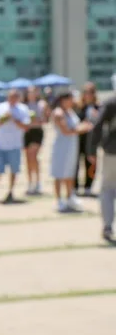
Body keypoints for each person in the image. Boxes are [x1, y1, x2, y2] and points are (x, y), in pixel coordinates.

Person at [51, 92, 93, 212]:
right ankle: (59, 200)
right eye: (70, 99)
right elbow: (66, 130)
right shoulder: (58, 112)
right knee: (59, 173)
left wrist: (84, 125)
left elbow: (76, 126)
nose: (72, 101)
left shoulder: (70, 111)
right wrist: (83, 128)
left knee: (69, 173)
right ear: (64, 100)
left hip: (71, 146)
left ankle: (70, 197)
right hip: (61, 146)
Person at [0, 89, 31, 203]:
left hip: (15, 145)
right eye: (11, 97)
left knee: (14, 170)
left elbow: (26, 127)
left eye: (15, 97)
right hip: (0, 144)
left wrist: (14, 119)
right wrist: (4, 119)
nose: (13, 99)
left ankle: (10, 191)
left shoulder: (23, 109)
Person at [87, 93, 116, 240]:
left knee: (108, 189)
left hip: (112, 151)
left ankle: (108, 226)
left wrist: (92, 150)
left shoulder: (110, 102)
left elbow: (97, 126)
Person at [75, 82, 100, 196]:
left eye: (90, 92)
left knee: (91, 164)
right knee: (75, 163)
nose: (88, 95)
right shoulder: (78, 107)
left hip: (92, 140)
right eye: (86, 92)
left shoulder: (99, 107)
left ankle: (88, 186)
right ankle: (75, 187)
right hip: (78, 139)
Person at [23, 85, 48, 195]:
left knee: (34, 156)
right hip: (26, 132)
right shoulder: (24, 105)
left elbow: (45, 120)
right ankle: (30, 182)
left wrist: (34, 121)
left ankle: (37, 182)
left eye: (33, 92)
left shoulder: (41, 104)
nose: (31, 94)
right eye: (29, 92)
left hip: (37, 132)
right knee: (28, 158)